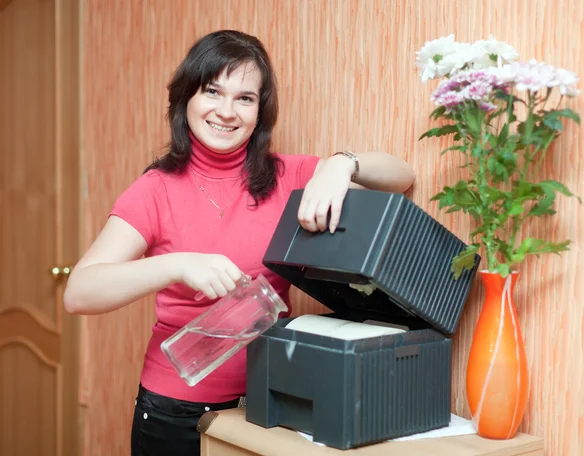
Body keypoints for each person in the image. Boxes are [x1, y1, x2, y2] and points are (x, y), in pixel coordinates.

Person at [63, 30, 416, 456]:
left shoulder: (288, 177)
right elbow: (79, 293)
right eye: (213, 91)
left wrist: (342, 163)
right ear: (186, 98)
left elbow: (402, 177)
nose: (226, 112)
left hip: (267, 405)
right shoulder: (154, 190)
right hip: (177, 412)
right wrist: (176, 265)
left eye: (245, 98)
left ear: (260, 112)